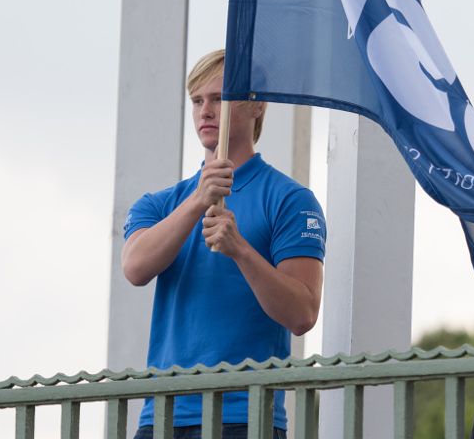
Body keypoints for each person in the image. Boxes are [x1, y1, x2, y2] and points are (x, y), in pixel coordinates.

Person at [122, 50, 326, 438]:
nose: (205, 111)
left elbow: (302, 314)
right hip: (162, 414)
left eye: (219, 98)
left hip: (244, 416)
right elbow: (135, 268)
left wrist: (241, 250)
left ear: (257, 104)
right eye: (197, 100)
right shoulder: (159, 203)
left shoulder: (290, 199)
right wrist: (198, 200)